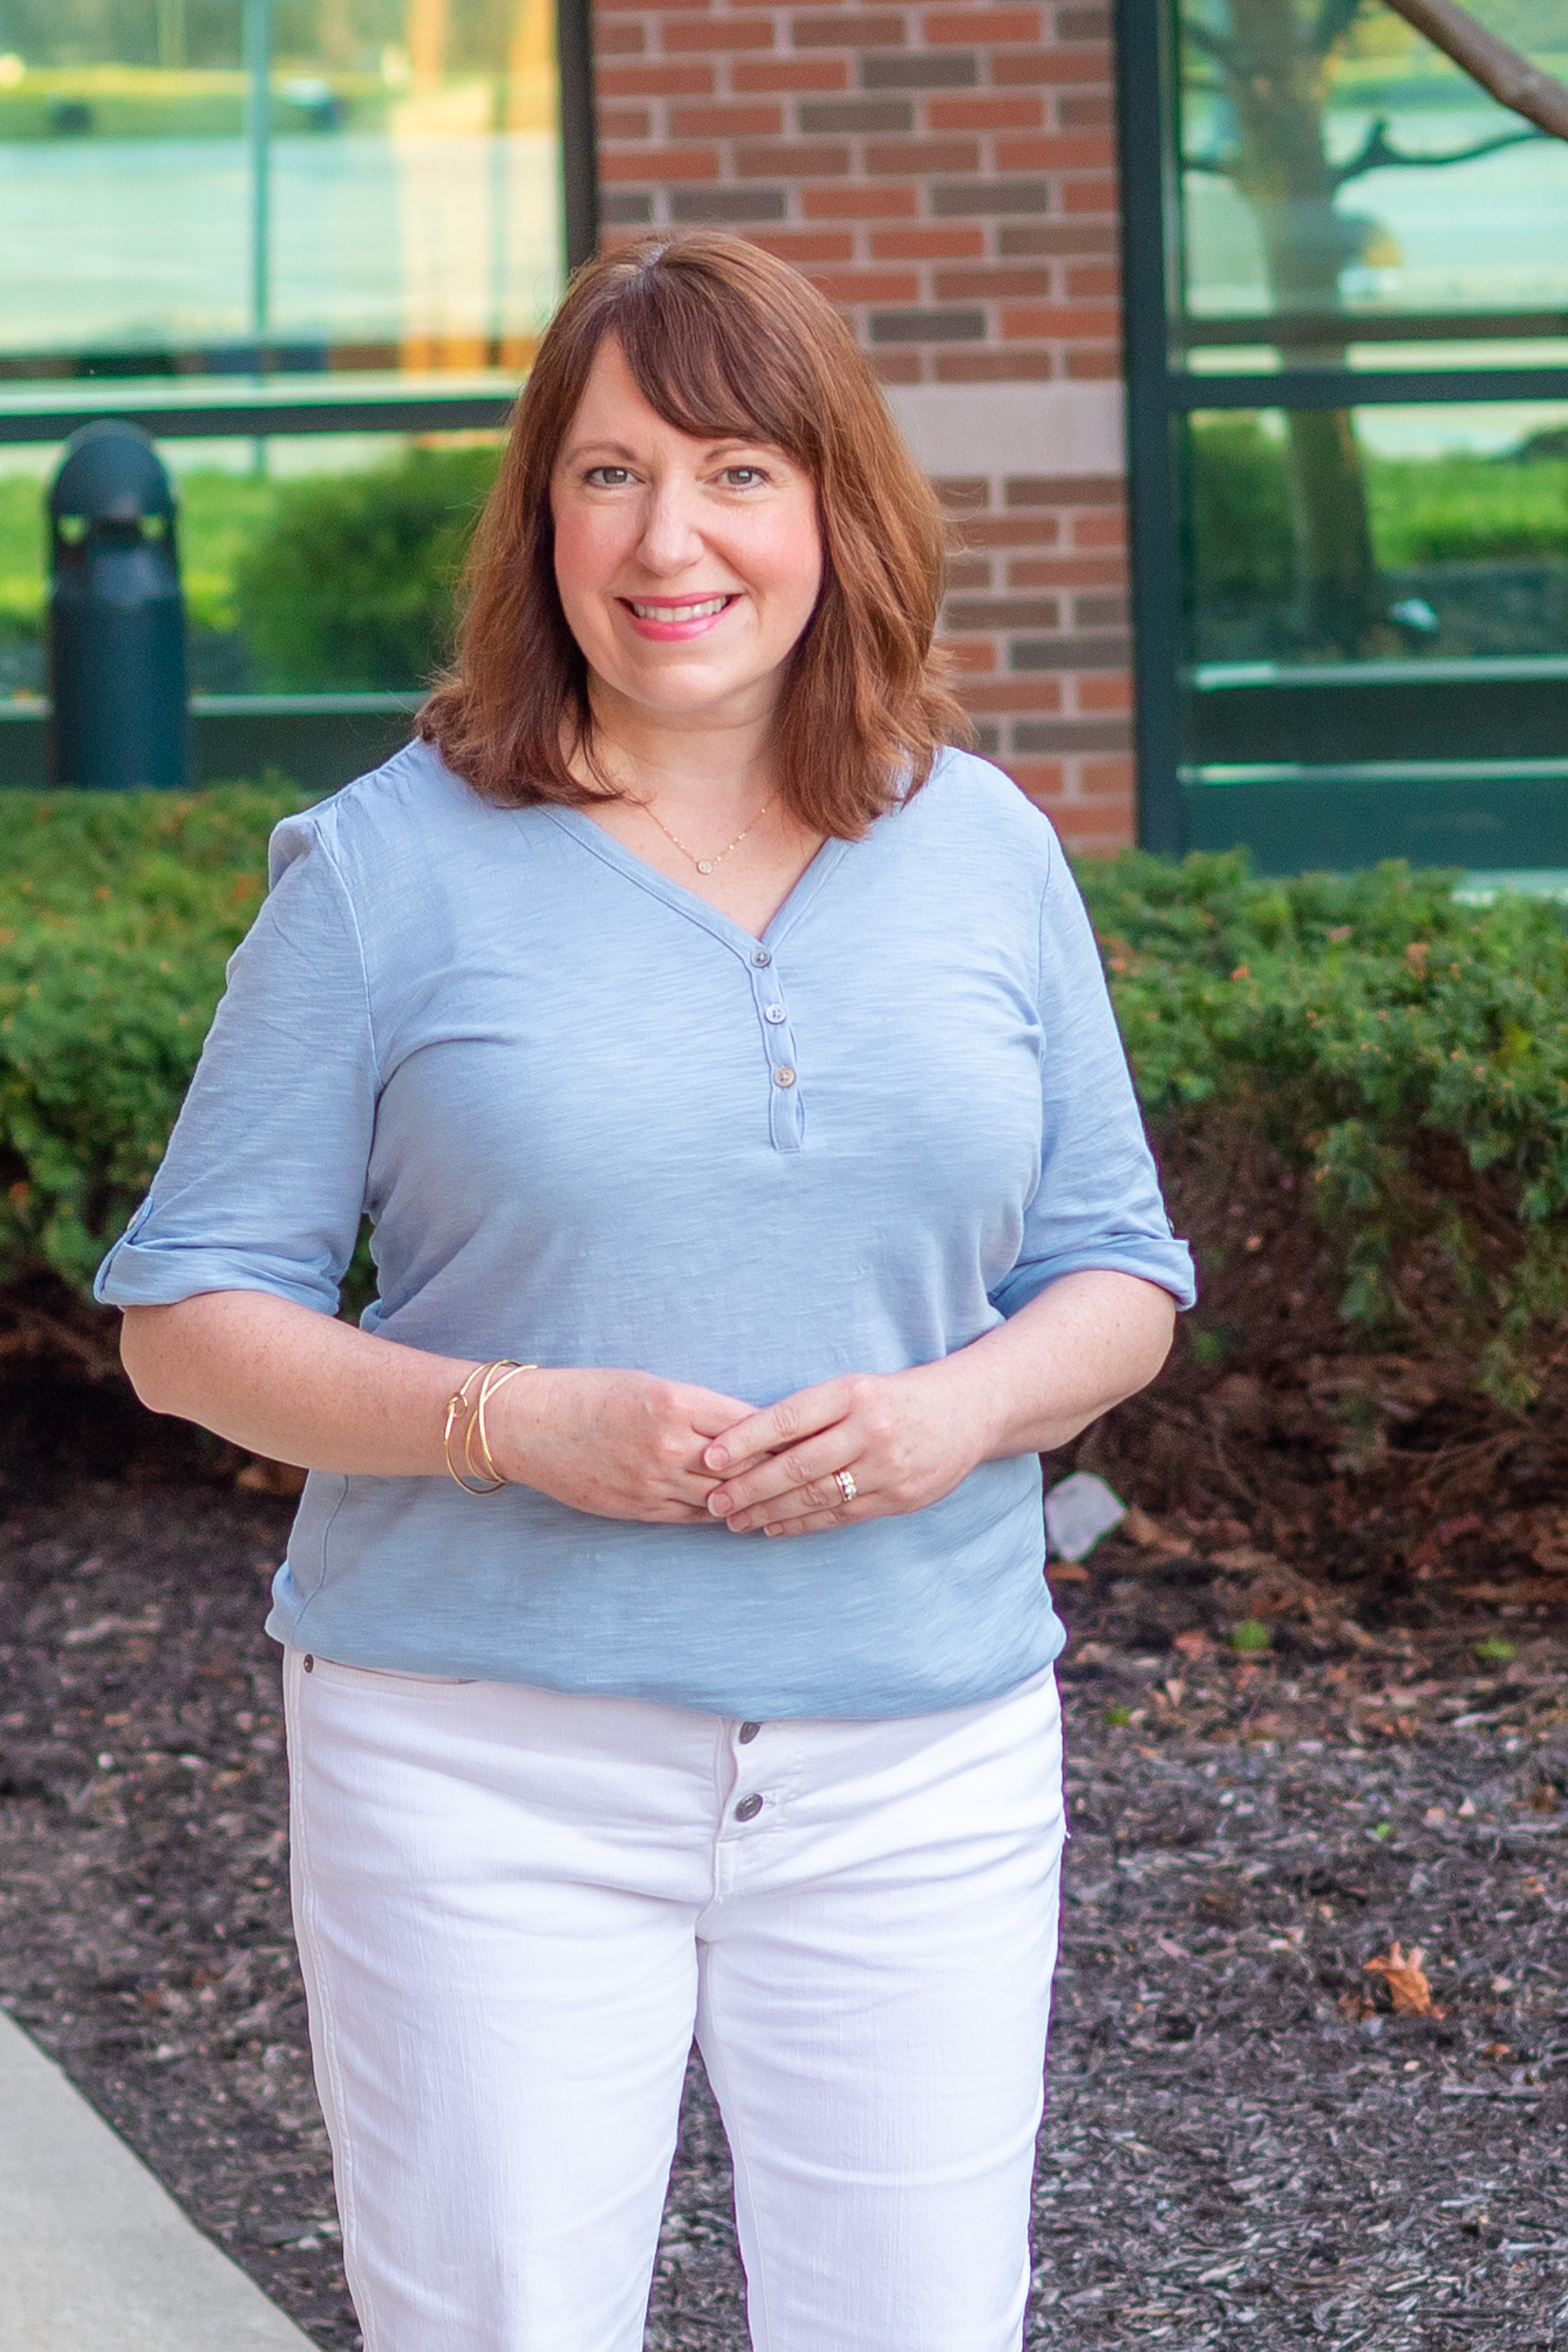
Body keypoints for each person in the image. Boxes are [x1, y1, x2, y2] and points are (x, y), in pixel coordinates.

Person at [97, 232, 1195, 2352]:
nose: (667, 536)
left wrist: (957, 1412)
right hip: (480, 1764)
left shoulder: (982, 846)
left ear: (833, 511)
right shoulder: (382, 867)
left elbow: (1116, 1272)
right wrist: (504, 1417)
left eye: (734, 471)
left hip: (925, 1758)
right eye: (607, 475)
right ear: (542, 520)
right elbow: (186, 1315)